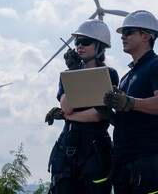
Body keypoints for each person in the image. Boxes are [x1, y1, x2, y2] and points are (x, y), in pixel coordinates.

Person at [101, 10, 158, 194]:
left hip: (148, 158)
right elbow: (128, 117)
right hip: (123, 160)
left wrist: (129, 102)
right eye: (122, 33)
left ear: (146, 36)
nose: (122, 37)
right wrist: (109, 114)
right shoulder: (127, 77)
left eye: (128, 32)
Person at [46, 19, 119, 194]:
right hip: (67, 150)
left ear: (100, 46)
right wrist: (73, 72)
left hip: (95, 152)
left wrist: (66, 116)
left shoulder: (109, 74)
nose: (79, 45)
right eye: (77, 41)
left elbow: (97, 115)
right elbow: (67, 107)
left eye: (85, 41)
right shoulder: (68, 74)